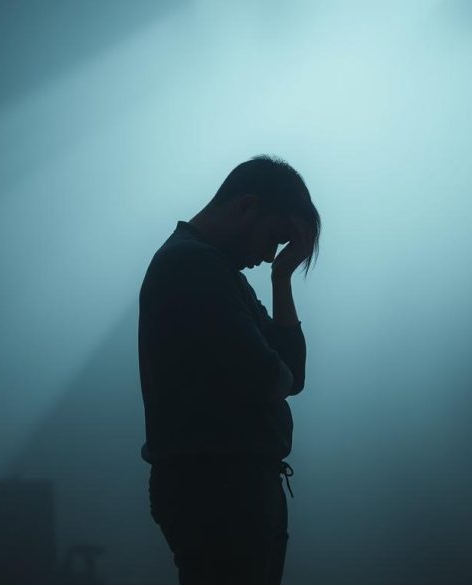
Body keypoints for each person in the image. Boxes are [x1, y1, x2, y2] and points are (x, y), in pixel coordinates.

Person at [138, 155, 321, 584]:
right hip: (218, 492)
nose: (267, 254)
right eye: (273, 239)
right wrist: (278, 374)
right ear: (246, 207)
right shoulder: (192, 267)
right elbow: (272, 377)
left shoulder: (215, 270)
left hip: (232, 488)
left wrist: (282, 278)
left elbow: (291, 373)